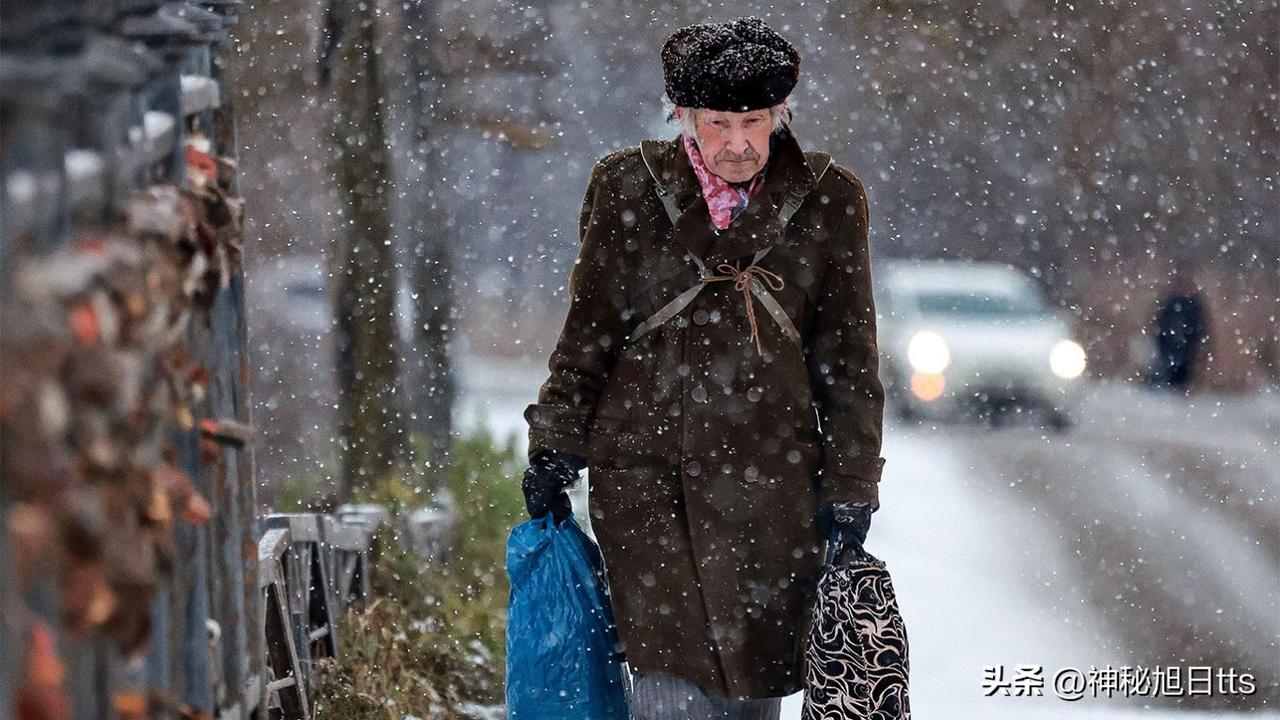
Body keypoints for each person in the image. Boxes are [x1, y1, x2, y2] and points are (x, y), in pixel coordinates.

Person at [522, 16, 886, 719]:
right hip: (646, 485)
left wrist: (852, 483)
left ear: (782, 115)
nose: (739, 143)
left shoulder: (829, 201)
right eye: (719, 123)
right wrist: (555, 439)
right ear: (683, 116)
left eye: (754, 121)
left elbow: (849, 363)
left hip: (772, 492)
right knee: (667, 696)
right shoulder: (627, 187)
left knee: (750, 698)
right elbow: (588, 331)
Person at [1152, 271, 1208, 392]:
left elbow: (1201, 327)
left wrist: (1201, 347)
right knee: (1171, 380)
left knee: (1184, 381)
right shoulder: (1169, 303)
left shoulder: (1193, 304)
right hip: (1170, 350)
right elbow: (1159, 325)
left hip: (1187, 351)